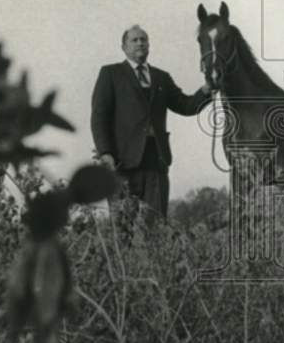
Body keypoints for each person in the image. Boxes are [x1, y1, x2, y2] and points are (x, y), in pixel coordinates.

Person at [91, 25, 212, 223]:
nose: (140, 43)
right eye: (135, 40)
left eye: (144, 39)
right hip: (121, 163)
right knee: (122, 228)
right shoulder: (110, 74)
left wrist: (206, 90)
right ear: (123, 47)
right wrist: (105, 153)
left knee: (155, 226)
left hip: (156, 162)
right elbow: (99, 117)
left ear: (149, 45)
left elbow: (186, 105)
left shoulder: (161, 77)